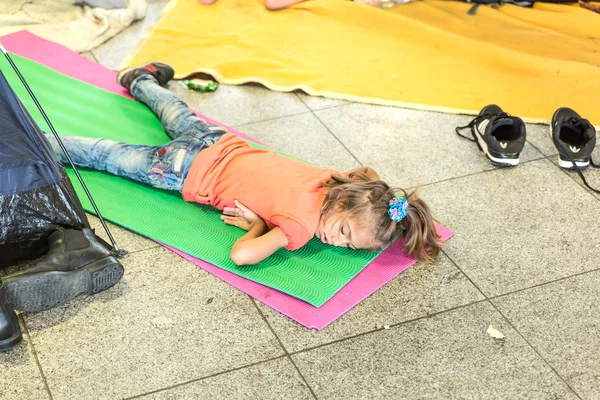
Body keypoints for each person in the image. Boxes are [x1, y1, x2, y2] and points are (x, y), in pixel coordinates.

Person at [45, 62, 443, 265]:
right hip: (182, 169)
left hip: (218, 141)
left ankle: (140, 79)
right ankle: (38, 144)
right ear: (341, 206)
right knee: (106, 155)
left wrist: (375, 200)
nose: (335, 241)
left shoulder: (337, 180)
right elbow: (242, 256)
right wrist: (259, 226)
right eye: (342, 232)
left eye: (347, 244)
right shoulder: (300, 228)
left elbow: (371, 174)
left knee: (174, 109)